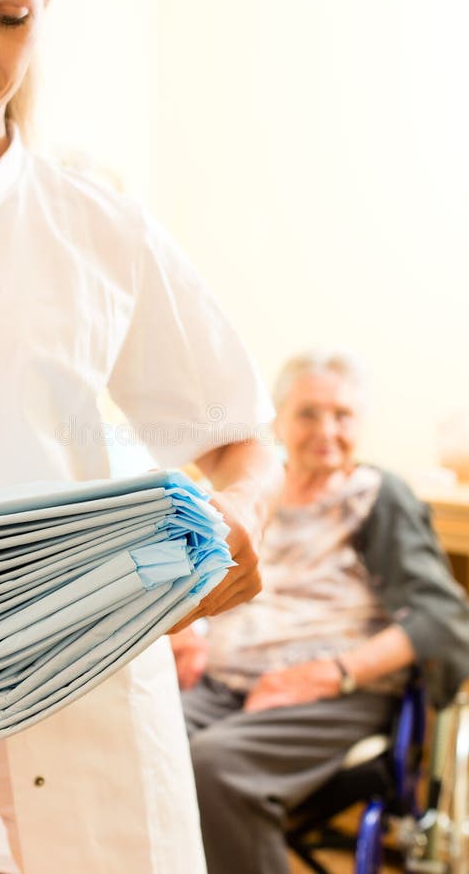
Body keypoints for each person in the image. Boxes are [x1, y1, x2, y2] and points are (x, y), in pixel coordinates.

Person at [0, 0, 281, 872]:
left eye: (10, 15)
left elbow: (240, 430)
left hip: (77, 683)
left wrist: (243, 509)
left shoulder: (99, 231)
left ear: (46, 2)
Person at [172, 349, 469, 874]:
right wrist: (190, 631)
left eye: (343, 415)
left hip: (333, 694)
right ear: (278, 421)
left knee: (214, 768)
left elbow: (440, 617)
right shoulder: (257, 491)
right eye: (308, 413)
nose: (326, 430)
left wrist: (327, 675)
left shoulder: (376, 495)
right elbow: (207, 573)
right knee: (139, 734)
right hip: (222, 680)